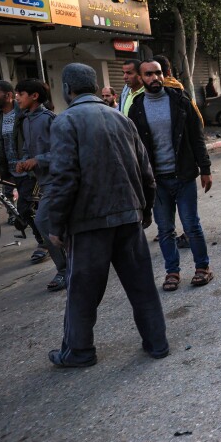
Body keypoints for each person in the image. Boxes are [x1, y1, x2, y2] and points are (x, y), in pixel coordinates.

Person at [44, 63, 168, 367]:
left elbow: (64, 179)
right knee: (142, 287)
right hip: (128, 216)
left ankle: (79, 351)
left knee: (82, 293)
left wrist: (55, 224)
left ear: (67, 89)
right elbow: (146, 172)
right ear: (96, 86)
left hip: (89, 222)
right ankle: (157, 343)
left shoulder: (65, 122)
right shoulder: (121, 119)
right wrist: (145, 210)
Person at [128, 60, 215, 289]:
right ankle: (172, 272)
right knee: (165, 229)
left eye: (158, 73)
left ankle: (203, 268)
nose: (154, 78)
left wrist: (205, 169)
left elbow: (196, 137)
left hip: (183, 175)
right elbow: (134, 148)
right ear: (141, 78)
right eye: (149, 74)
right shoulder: (136, 107)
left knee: (191, 225)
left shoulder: (180, 101)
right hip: (156, 181)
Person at [13, 79, 68, 291]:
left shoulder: (49, 119)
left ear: (34, 96)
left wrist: (38, 160)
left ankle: (64, 269)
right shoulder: (26, 120)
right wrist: (24, 161)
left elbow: (62, 151)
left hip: (58, 180)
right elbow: (28, 149)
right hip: (43, 182)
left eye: (20, 94)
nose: (17, 98)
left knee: (43, 221)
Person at [0, 80, 45, 258]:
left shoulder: (25, 113)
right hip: (13, 171)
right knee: (33, 208)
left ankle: (44, 243)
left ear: (8, 95)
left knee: (25, 207)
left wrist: (32, 160)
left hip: (30, 170)